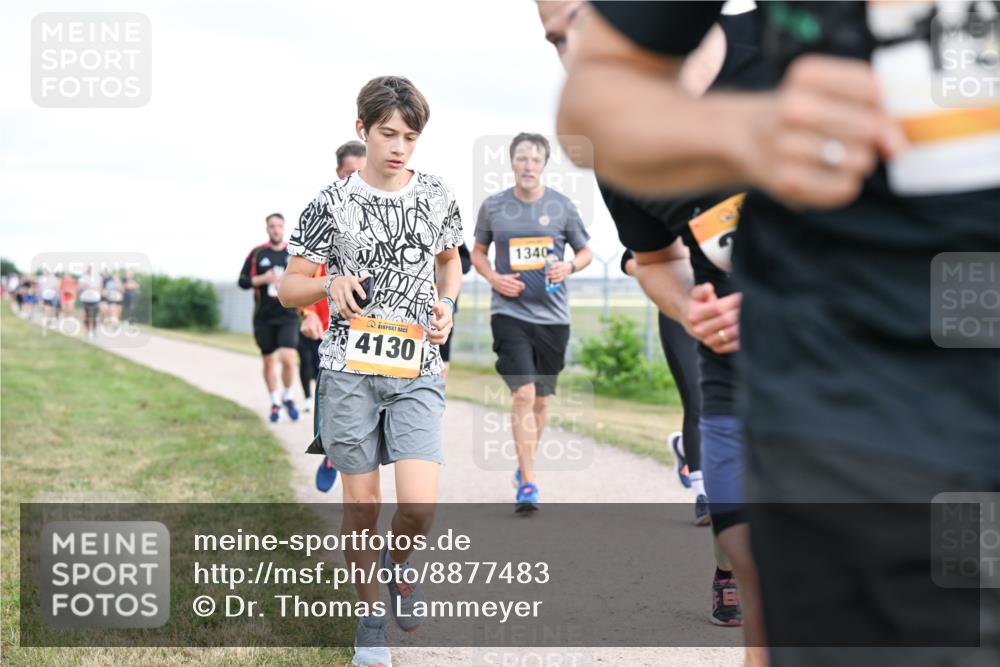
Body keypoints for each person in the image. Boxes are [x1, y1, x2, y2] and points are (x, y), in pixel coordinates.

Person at [560, 2, 1000, 665]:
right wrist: (750, 130)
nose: (566, 38)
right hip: (871, 407)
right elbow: (596, 102)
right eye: (555, 32)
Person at [538, 0, 744, 631]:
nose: (576, 53)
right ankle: (730, 572)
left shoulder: (791, 51)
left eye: (582, 20)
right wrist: (692, 307)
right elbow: (653, 258)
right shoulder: (619, 143)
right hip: (739, 375)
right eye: (556, 41)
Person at [279, 75, 463, 667]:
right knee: (362, 508)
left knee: (419, 507)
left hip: (415, 370)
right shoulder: (330, 203)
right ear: (362, 130)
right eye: (388, 133)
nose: (399, 146)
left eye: (410, 136)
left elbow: (450, 263)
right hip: (348, 371)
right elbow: (287, 288)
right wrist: (326, 281)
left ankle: (398, 567)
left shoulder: (436, 194)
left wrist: (447, 305)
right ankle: (370, 621)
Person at [470, 132, 593, 514]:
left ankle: (525, 467)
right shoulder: (494, 207)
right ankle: (529, 482)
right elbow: (477, 252)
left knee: (541, 400)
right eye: (521, 159)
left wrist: (569, 265)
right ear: (511, 163)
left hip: (554, 318)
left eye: (535, 160)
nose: (528, 166)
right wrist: (493, 278)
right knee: (522, 394)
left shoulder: (562, 207)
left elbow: (586, 251)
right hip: (509, 314)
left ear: (544, 164)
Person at [309, 140, 368, 492]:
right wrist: (307, 312)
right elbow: (303, 274)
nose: (357, 182)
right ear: (338, 173)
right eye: (350, 175)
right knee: (340, 409)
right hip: (338, 332)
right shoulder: (328, 211)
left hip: (387, 333)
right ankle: (332, 452)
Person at [238, 213, 302, 423]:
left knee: (289, 359)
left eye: (279, 226)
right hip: (264, 316)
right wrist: (262, 279)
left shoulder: (293, 253)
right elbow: (243, 281)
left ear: (284, 228)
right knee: (268, 361)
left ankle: (288, 396)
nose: (275, 230)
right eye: (272, 226)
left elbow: (306, 279)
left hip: (289, 315)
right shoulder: (258, 253)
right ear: (267, 229)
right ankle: (275, 401)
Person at [438, 242, 471, 378]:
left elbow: (465, 262)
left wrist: (440, 268)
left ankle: (439, 395)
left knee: (442, 362)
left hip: (441, 310)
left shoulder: (444, 224)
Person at [78, 266, 102, 339]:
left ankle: (93, 330)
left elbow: (100, 288)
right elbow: (79, 287)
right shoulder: (83, 278)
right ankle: (87, 330)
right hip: (85, 299)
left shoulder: (98, 278)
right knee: (86, 315)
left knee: (94, 315)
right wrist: (85, 286)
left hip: (95, 299)